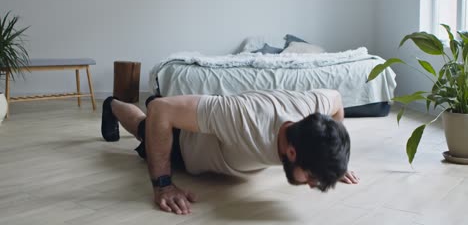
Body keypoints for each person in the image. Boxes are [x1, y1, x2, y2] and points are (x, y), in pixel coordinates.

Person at [101, 89, 359, 215]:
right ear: (292, 152)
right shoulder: (244, 119)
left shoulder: (311, 107)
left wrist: (332, 160)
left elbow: (335, 99)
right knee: (145, 124)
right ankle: (112, 104)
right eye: (313, 176)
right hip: (183, 143)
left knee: (167, 106)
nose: (313, 185)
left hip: (215, 122)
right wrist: (163, 184)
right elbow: (161, 110)